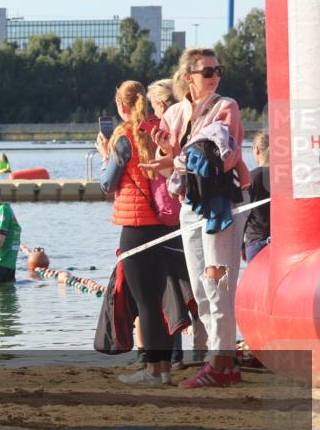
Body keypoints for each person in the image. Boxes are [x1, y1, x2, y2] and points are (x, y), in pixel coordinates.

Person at [143, 48, 251, 388]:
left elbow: (226, 158)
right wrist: (166, 152)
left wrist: (176, 158)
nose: (215, 75)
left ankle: (221, 363)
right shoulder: (175, 112)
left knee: (219, 282)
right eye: (207, 71)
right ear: (189, 76)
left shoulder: (225, 106)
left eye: (218, 70)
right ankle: (218, 362)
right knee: (202, 286)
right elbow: (170, 163)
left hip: (221, 201)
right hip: (190, 201)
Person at [97, 80, 181, 386]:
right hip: (166, 226)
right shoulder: (159, 129)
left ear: (122, 105)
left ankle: (153, 372)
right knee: (160, 301)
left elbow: (107, 184)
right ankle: (166, 369)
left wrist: (105, 154)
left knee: (145, 302)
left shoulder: (124, 137)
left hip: (135, 228)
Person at [146, 78, 206, 370]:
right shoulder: (190, 124)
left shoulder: (163, 132)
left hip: (167, 222)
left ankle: (174, 356)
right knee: (194, 289)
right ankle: (201, 352)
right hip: (190, 216)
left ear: (159, 104)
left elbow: (162, 178)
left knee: (168, 293)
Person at [244, 130, 271, 263]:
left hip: (256, 241)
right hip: (280, 242)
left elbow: (244, 213)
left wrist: (240, 245)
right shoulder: (284, 177)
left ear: (257, 150)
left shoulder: (250, 178)